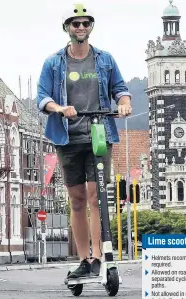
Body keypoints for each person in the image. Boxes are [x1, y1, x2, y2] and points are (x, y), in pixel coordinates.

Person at [36, 3, 132, 279]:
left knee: (96, 195)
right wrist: (59, 108)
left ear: (90, 27)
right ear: (66, 27)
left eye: (85, 23)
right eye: (75, 23)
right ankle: (84, 260)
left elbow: (121, 90)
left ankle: (100, 256)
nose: (80, 27)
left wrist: (124, 104)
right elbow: (42, 97)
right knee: (77, 200)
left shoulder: (105, 59)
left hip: (100, 135)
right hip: (67, 138)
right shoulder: (54, 63)